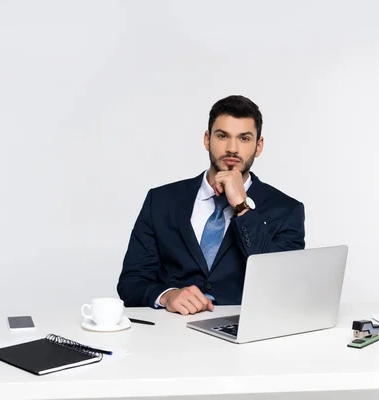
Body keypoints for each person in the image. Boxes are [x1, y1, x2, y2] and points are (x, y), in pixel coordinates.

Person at [117, 95, 305, 315]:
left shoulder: (286, 210)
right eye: (222, 136)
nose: (232, 148)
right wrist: (167, 295)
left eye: (244, 138)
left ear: (258, 146)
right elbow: (131, 283)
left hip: (244, 333)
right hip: (170, 331)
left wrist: (241, 206)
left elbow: (280, 284)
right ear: (207, 139)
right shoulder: (160, 201)